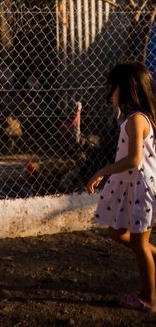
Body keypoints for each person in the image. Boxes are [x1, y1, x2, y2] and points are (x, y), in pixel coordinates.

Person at [87, 62, 156, 312]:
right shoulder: (136, 118)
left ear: (126, 89)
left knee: (139, 244)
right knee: (117, 233)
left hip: (140, 189)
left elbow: (135, 159)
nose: (109, 92)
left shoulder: (137, 120)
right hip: (133, 186)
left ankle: (149, 298)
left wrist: (103, 171)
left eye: (112, 86)